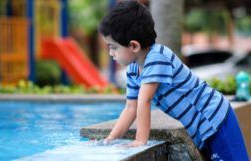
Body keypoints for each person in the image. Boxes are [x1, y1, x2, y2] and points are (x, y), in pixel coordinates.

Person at [99, 1, 249, 160]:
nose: (110, 53)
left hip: (215, 120)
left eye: (113, 47)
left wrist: (140, 140)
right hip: (202, 129)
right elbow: (130, 108)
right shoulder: (133, 70)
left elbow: (144, 100)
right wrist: (110, 140)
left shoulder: (158, 57)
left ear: (134, 46)